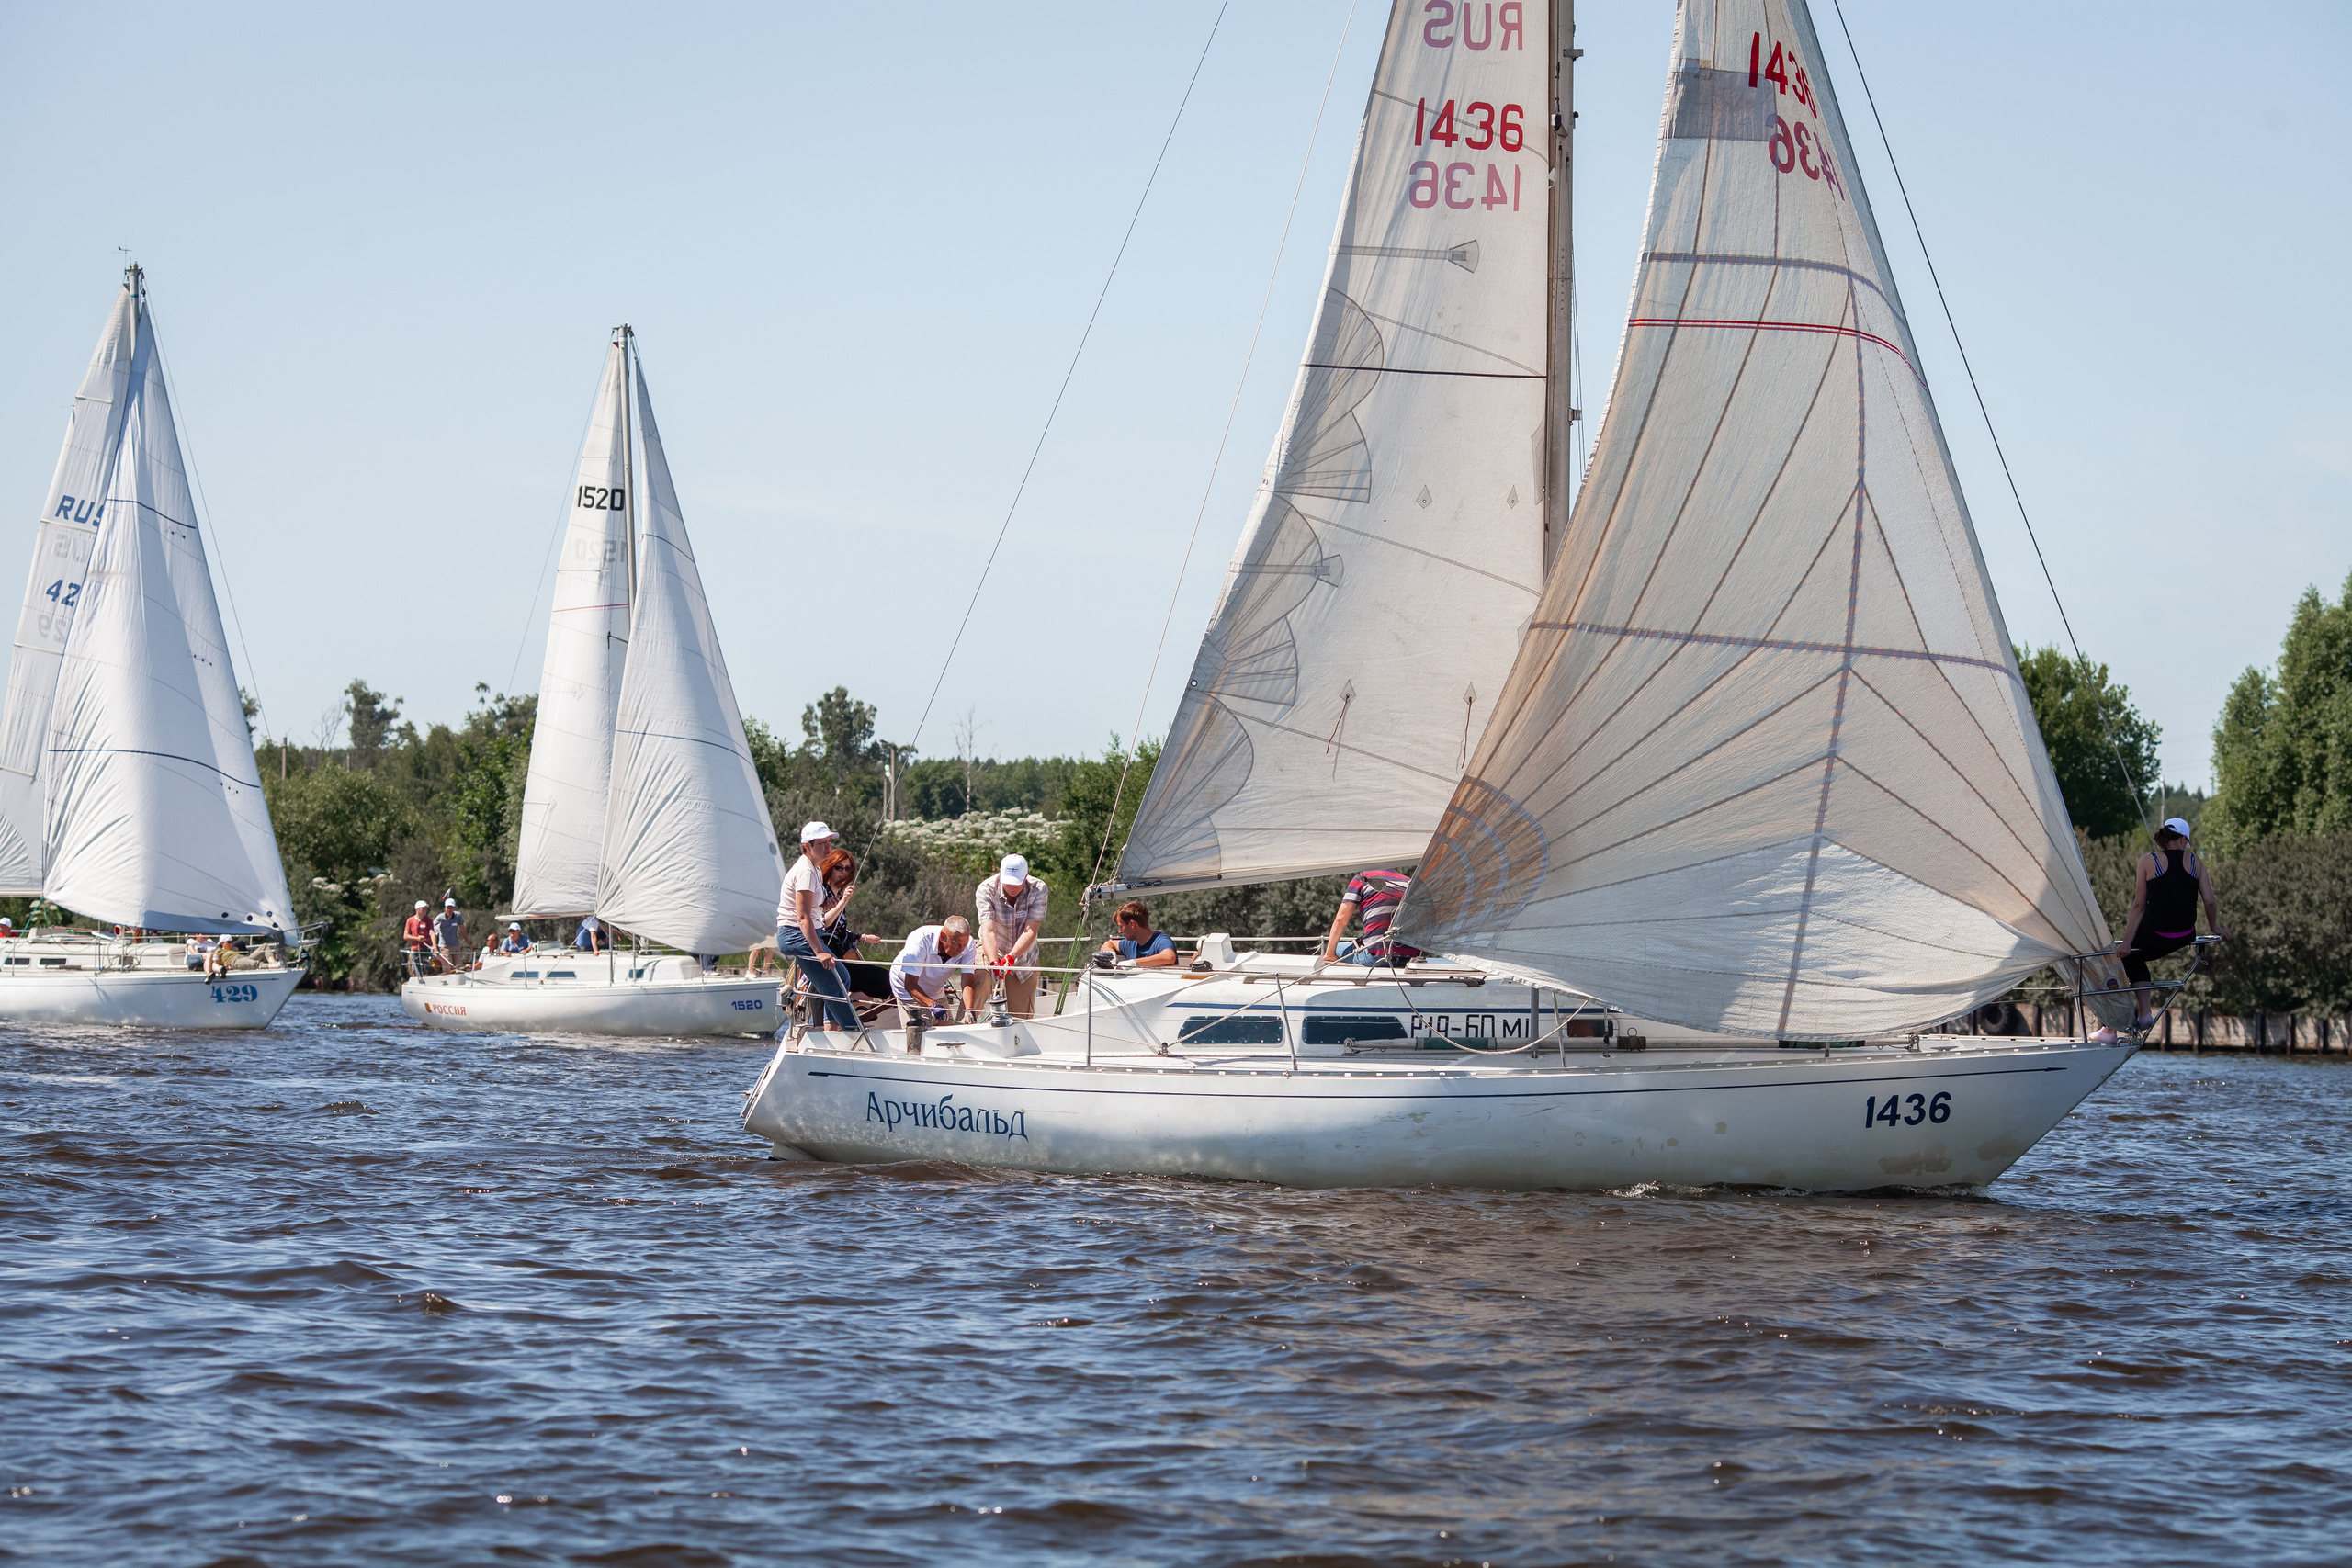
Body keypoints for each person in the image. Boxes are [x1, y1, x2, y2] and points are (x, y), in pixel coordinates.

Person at [2116, 817, 2226, 1030]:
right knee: (2134, 955)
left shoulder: (2147, 861)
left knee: (2129, 958)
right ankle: (2130, 1021)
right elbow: (2209, 900)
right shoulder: (2196, 862)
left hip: (2156, 935)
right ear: (2184, 839)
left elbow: (2139, 905)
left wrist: (2126, 943)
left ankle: (2135, 1018)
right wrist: (2215, 927)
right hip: (2186, 934)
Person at [778, 820, 858, 1036]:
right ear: (807, 846)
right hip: (796, 935)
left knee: (840, 977)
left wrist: (823, 906)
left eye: (829, 842)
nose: (828, 847)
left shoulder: (812, 868)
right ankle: (852, 1031)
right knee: (837, 979)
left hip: (802, 934)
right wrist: (819, 951)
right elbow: (803, 917)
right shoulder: (805, 870)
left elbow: (810, 910)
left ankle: (834, 1028)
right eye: (822, 843)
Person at [968, 853, 1047, 1019]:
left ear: (1026, 877)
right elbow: (988, 930)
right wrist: (993, 962)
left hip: (1024, 956)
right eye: (1008, 882)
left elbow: (1031, 929)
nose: (1012, 887)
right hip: (991, 949)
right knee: (980, 981)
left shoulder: (1039, 888)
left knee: (1021, 1018)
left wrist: (1012, 957)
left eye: (1017, 883)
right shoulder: (986, 889)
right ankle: (965, 1025)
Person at [1320, 868, 1422, 967]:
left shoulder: (1362, 878)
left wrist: (1329, 954)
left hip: (1378, 957)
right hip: (1410, 958)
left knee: (1338, 948)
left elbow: (1341, 919)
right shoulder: (1409, 882)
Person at [891, 916, 977, 1023]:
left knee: (950, 1030)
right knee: (921, 1030)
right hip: (906, 986)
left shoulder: (969, 944)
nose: (961, 950)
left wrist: (969, 1009)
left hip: (935, 989)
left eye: (964, 944)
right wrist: (933, 1005)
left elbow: (967, 980)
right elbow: (910, 985)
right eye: (956, 944)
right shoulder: (920, 940)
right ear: (942, 936)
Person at [1098, 899, 1177, 968]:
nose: (1120, 931)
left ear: (1132, 924)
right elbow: (1108, 943)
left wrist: (1134, 963)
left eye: (1121, 926)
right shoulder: (1130, 943)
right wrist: (1110, 954)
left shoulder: (1161, 941)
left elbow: (1169, 957)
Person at [433, 897, 467, 970]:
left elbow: (463, 930)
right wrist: (434, 945)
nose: (449, 910)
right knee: (449, 968)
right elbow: (433, 931)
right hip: (445, 947)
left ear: (454, 908)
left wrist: (469, 943)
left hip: (456, 946)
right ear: (445, 908)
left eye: (451, 908)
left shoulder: (458, 916)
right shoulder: (440, 918)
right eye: (448, 908)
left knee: (458, 968)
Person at [403, 900, 433, 976]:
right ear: (418, 910)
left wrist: (434, 946)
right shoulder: (410, 920)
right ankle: (416, 975)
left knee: (436, 956)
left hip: (427, 946)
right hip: (416, 948)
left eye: (426, 908)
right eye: (423, 908)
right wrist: (417, 938)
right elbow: (406, 936)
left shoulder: (428, 921)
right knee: (415, 963)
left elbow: (432, 933)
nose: (425, 910)